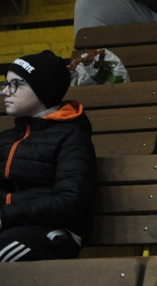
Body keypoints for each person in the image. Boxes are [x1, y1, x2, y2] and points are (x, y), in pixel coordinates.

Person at [0, 51, 96, 263]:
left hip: (55, 232)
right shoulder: (6, 138)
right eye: (5, 84)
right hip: (8, 226)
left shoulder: (71, 136)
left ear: (42, 89)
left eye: (15, 84)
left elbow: (70, 201)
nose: (5, 92)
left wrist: (6, 215)